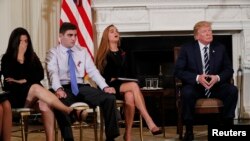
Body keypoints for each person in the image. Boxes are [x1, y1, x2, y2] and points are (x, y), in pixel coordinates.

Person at [1, 27, 83, 141]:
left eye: (26, 41)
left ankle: (50, 139)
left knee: (44, 103)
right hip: (17, 97)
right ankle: (67, 109)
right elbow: (9, 81)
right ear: (15, 42)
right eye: (21, 41)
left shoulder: (31, 56)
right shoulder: (7, 58)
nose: (24, 44)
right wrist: (20, 61)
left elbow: (39, 74)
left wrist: (22, 80)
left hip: (34, 96)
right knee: (35, 87)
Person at [46, 22, 120, 141]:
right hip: (63, 87)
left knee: (109, 97)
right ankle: (68, 138)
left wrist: (105, 87)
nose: (74, 38)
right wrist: (58, 89)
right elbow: (52, 72)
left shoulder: (82, 51)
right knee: (58, 102)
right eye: (70, 35)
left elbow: (93, 71)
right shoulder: (53, 52)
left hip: (81, 87)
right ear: (60, 36)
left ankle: (111, 138)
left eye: (75, 35)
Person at [95, 24, 162, 141]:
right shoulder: (103, 55)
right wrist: (113, 78)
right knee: (133, 86)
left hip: (125, 85)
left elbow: (131, 73)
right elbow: (102, 77)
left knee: (130, 96)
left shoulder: (124, 53)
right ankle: (149, 120)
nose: (116, 33)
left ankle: (128, 134)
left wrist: (122, 78)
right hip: (109, 88)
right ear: (106, 36)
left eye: (116, 31)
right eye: (112, 31)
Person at [174, 21, 238, 141]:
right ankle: (189, 131)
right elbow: (178, 71)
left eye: (210, 30)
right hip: (196, 86)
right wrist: (198, 78)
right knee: (187, 93)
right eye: (204, 31)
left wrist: (217, 78)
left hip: (216, 86)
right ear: (197, 36)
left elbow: (229, 69)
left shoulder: (220, 48)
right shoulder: (187, 49)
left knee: (232, 90)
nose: (209, 33)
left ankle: (227, 128)